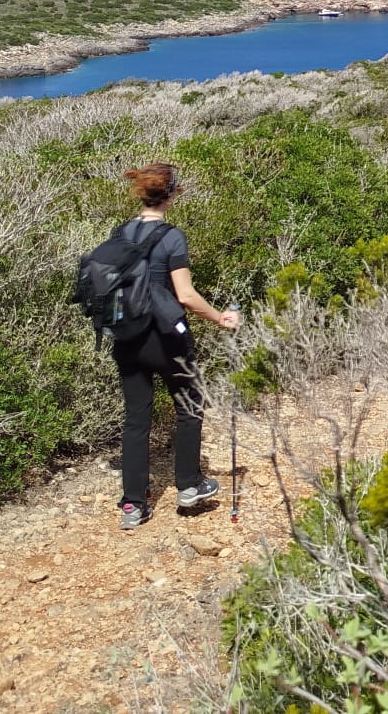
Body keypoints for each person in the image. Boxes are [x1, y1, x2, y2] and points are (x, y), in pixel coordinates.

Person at [113, 162, 241, 532]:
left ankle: (132, 506)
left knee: (136, 418)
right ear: (170, 195)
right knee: (189, 406)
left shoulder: (120, 233)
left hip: (127, 338)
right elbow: (184, 295)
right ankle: (188, 485)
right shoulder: (172, 237)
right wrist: (221, 318)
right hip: (166, 338)